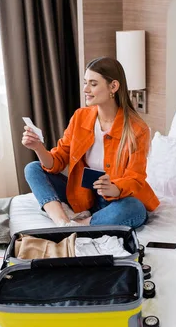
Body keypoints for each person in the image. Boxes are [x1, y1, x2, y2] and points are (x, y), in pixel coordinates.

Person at [22, 57, 159, 228]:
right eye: (85, 82)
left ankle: (83, 224)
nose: (85, 89)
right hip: (81, 195)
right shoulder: (81, 117)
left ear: (113, 87)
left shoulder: (137, 129)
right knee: (33, 168)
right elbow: (57, 161)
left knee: (135, 209)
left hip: (115, 200)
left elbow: (135, 178)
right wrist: (37, 147)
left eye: (93, 84)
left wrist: (114, 188)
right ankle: (62, 222)